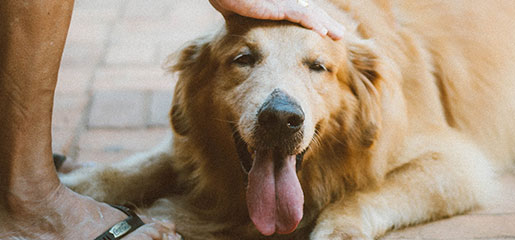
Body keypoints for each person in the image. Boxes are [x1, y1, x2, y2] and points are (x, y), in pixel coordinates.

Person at [0, 0, 344, 239]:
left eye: (315, 66)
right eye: (244, 58)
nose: (281, 110)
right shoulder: (200, 80)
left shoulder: (367, 75)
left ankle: (23, 180)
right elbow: (193, 132)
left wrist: (355, 219)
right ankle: (26, 196)